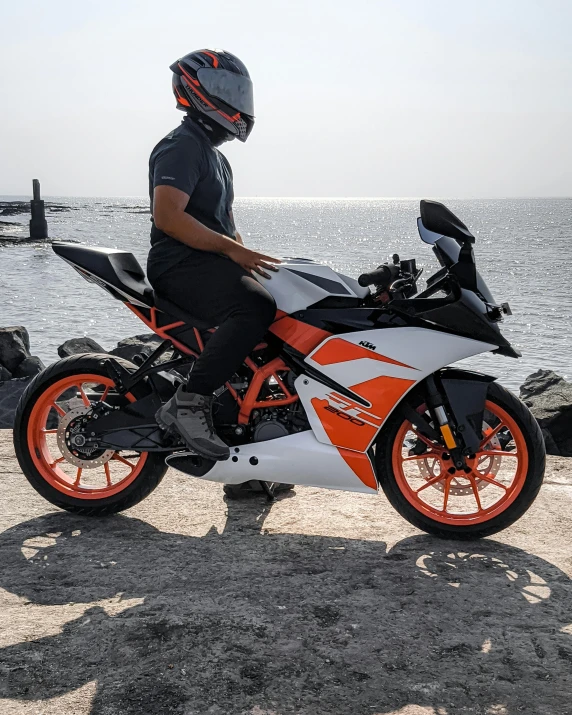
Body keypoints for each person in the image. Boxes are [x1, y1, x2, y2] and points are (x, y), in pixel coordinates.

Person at [148, 49, 280, 462]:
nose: (236, 101)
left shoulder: (217, 158)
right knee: (254, 307)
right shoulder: (181, 146)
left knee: (281, 309)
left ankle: (248, 458)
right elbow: (168, 216)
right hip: (179, 264)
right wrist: (232, 251)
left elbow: (225, 224)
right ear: (197, 89)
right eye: (226, 90)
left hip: (206, 262)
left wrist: (258, 261)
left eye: (239, 92)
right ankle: (188, 403)